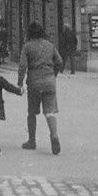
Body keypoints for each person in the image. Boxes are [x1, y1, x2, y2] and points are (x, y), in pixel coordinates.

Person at [18, 22, 63, 155]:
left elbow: (22, 66)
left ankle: (32, 141)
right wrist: (53, 74)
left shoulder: (27, 47)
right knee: (50, 112)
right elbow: (59, 61)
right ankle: (54, 136)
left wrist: (20, 83)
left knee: (32, 112)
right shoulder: (50, 45)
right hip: (49, 81)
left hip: (34, 82)